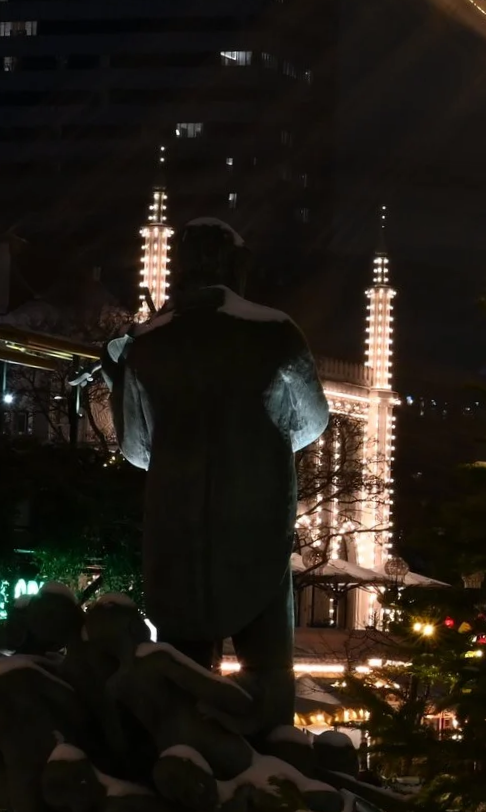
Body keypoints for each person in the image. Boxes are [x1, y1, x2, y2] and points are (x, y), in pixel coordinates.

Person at [105, 218, 327, 734]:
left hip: (176, 530)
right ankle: (274, 766)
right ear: (236, 267)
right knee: (268, 665)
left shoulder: (148, 345)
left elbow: (138, 450)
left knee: (180, 664)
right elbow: (313, 421)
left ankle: (179, 755)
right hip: (257, 522)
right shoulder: (274, 332)